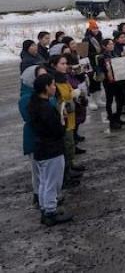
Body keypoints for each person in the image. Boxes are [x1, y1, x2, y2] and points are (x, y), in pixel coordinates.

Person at [28, 73, 74, 226]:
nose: (55, 87)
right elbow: (56, 130)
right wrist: (63, 120)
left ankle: (45, 208)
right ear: (46, 88)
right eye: (53, 85)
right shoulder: (45, 108)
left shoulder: (35, 104)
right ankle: (50, 212)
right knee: (52, 182)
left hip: (41, 149)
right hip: (51, 149)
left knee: (44, 181)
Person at [48, 54, 82, 189]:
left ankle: (70, 167)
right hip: (63, 117)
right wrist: (68, 99)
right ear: (54, 65)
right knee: (66, 144)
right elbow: (56, 100)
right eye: (62, 64)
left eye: (66, 63)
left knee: (70, 143)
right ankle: (65, 175)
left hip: (70, 115)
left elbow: (69, 91)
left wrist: (76, 94)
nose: (65, 66)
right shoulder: (53, 81)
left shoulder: (64, 78)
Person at [18, 64, 48, 208]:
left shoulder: (42, 93)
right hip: (35, 138)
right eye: (40, 76)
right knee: (38, 171)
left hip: (45, 137)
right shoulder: (26, 98)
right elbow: (34, 118)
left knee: (44, 171)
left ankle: (44, 197)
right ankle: (39, 198)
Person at [98, 39, 125, 132]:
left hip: (118, 79)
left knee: (121, 98)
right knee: (110, 100)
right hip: (109, 81)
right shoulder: (102, 56)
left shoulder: (114, 53)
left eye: (112, 44)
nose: (112, 45)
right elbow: (99, 68)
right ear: (104, 46)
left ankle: (117, 117)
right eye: (109, 44)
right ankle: (111, 120)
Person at [84, 19, 104, 110]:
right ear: (90, 29)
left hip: (99, 62)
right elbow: (82, 53)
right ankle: (91, 101)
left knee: (98, 80)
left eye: (97, 28)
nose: (96, 30)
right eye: (93, 29)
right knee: (91, 81)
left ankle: (98, 99)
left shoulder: (100, 36)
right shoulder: (86, 39)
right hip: (90, 63)